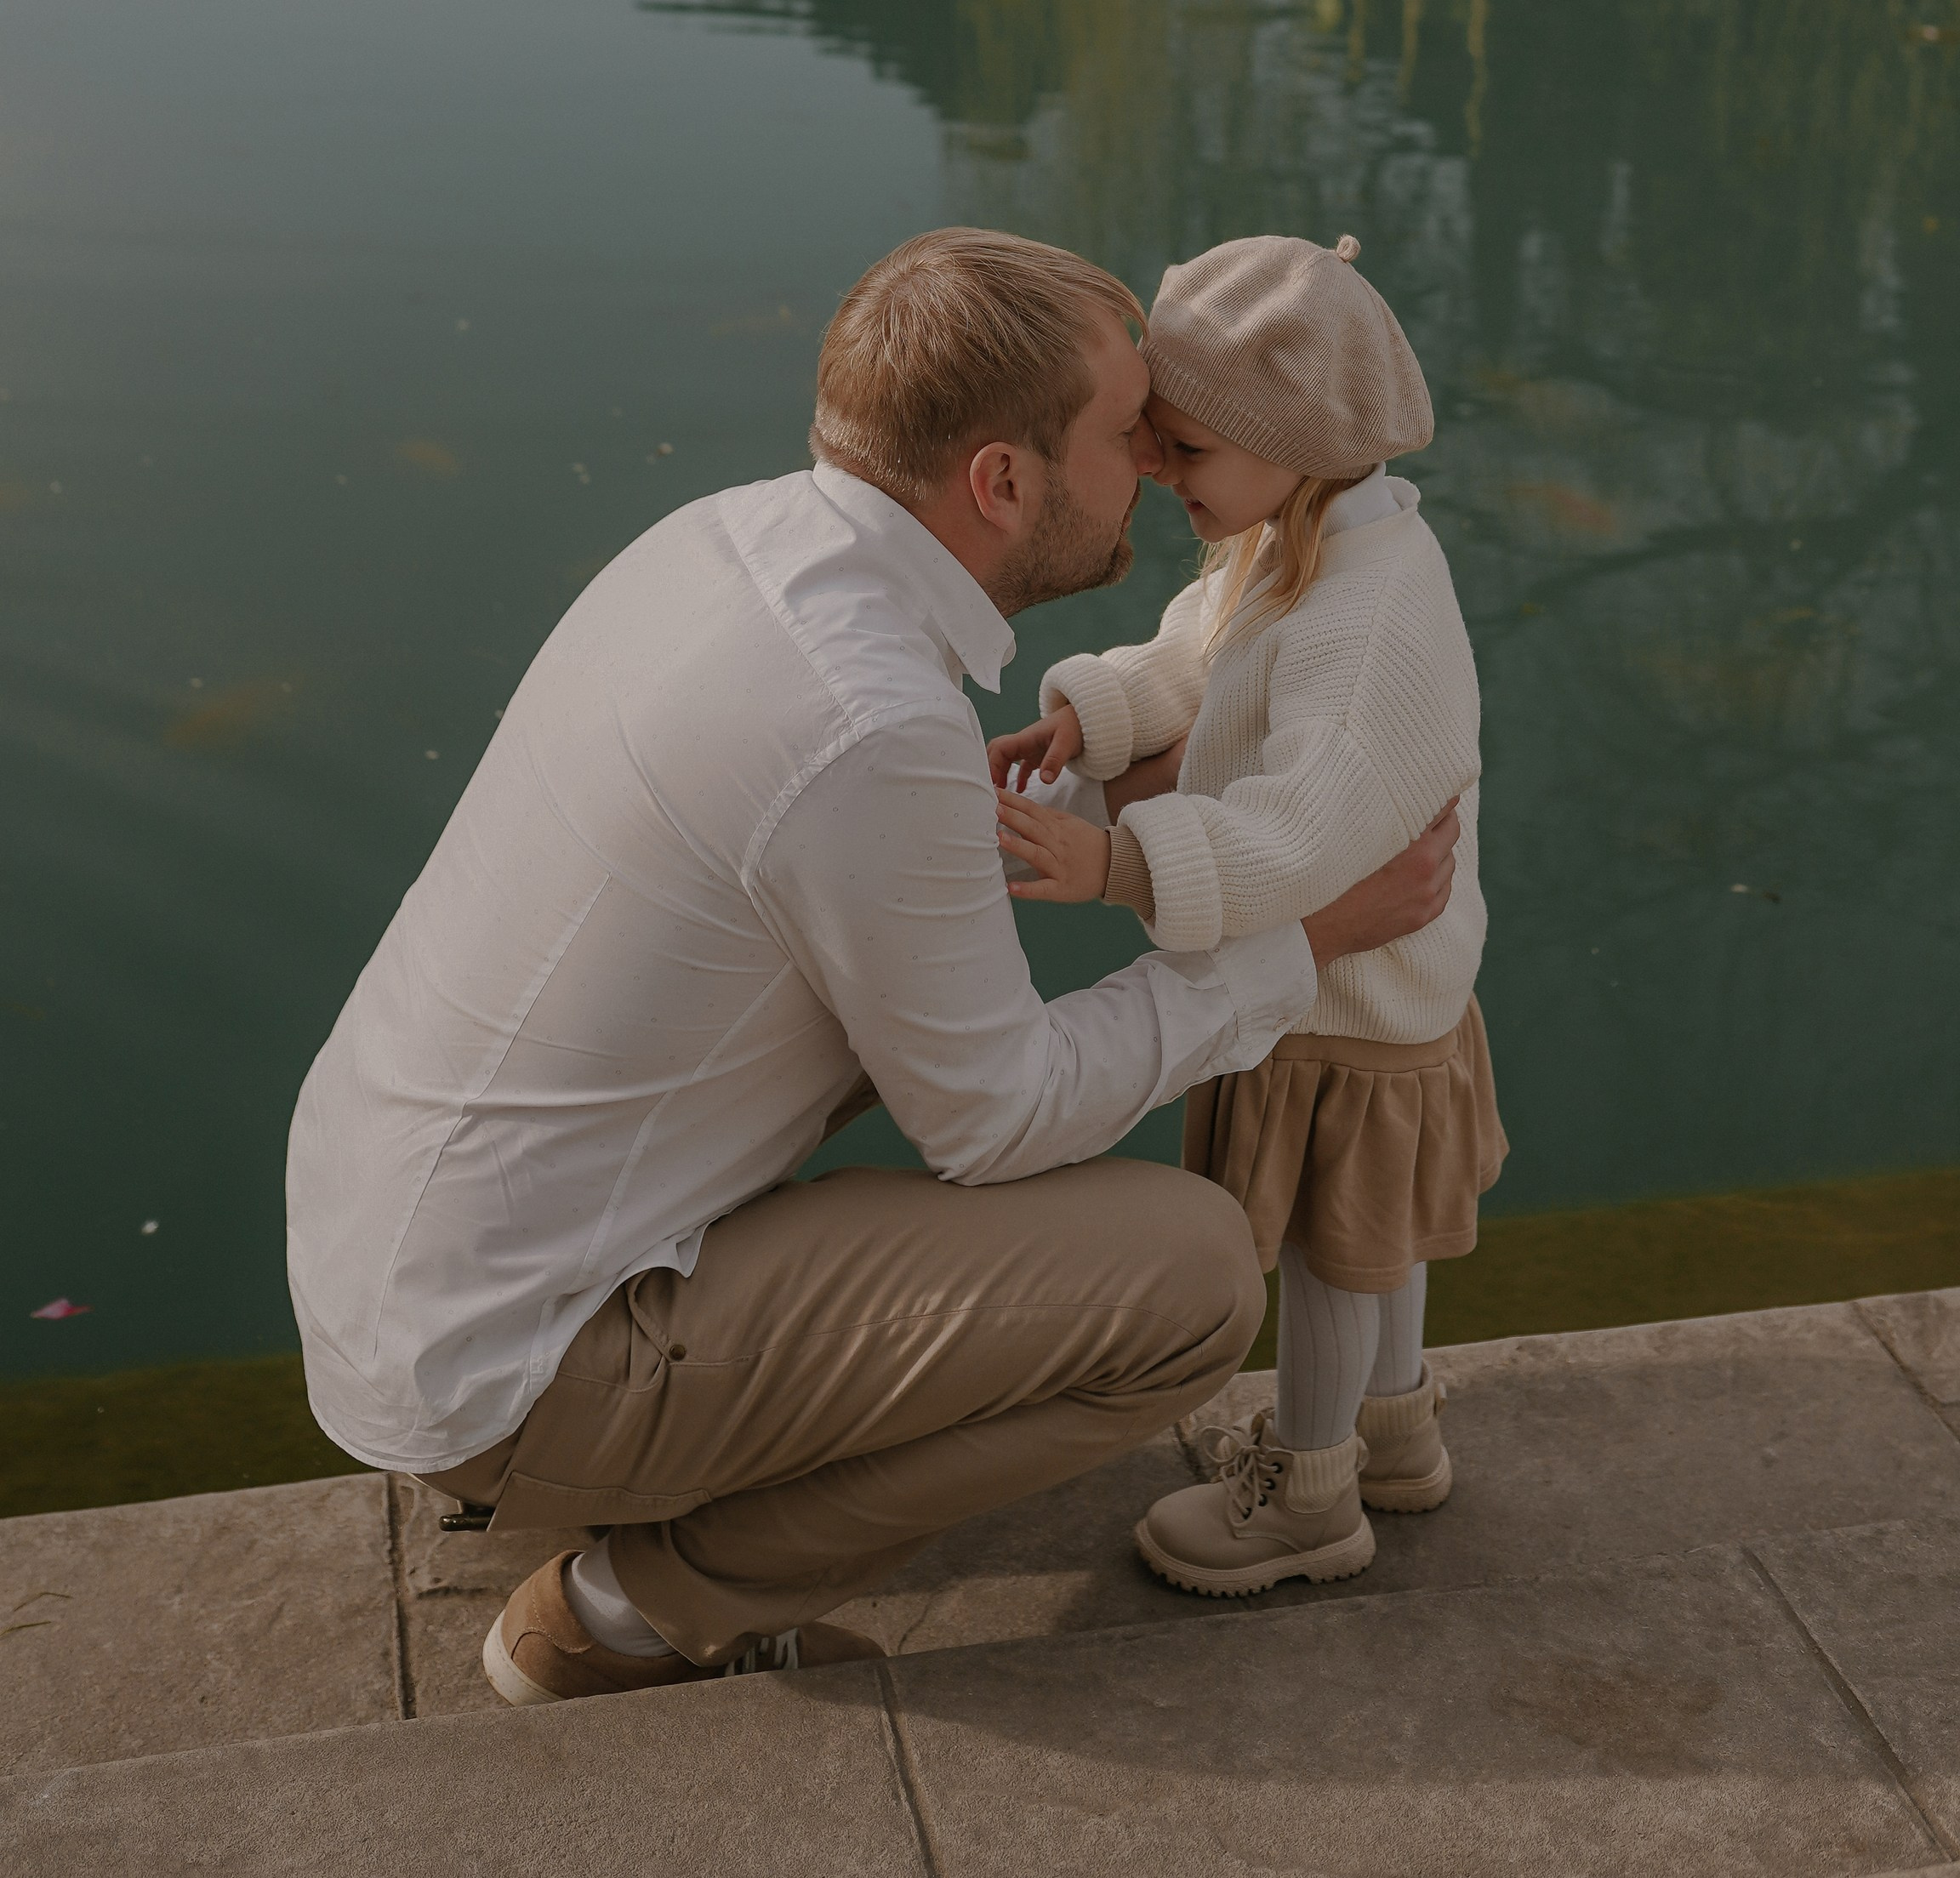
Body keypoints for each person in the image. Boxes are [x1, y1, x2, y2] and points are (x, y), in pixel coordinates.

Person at [285, 227, 1461, 1701]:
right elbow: (998, 1122)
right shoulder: (868, 723)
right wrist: (1297, 946)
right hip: (510, 1361)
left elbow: (862, 865)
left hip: (404, 1261)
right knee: (1195, 1281)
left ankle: (648, 1465)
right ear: (1003, 482)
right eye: (1123, 432)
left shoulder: (726, 542)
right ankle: (631, 1608)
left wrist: (1092, 810)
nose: (1156, 463)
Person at [993, 232, 1500, 1596]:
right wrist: (1079, 724)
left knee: (1336, 1256)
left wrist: (1115, 866)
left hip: (1341, 1015)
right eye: (1153, 437)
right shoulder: (1296, 541)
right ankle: (1394, 1436)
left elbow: (1301, 833)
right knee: (1374, 1238)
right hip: (1392, 991)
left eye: (1186, 450)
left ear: (1296, 441)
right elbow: (1188, 661)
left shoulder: (1369, 622)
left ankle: (1312, 1499)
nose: (1154, 470)